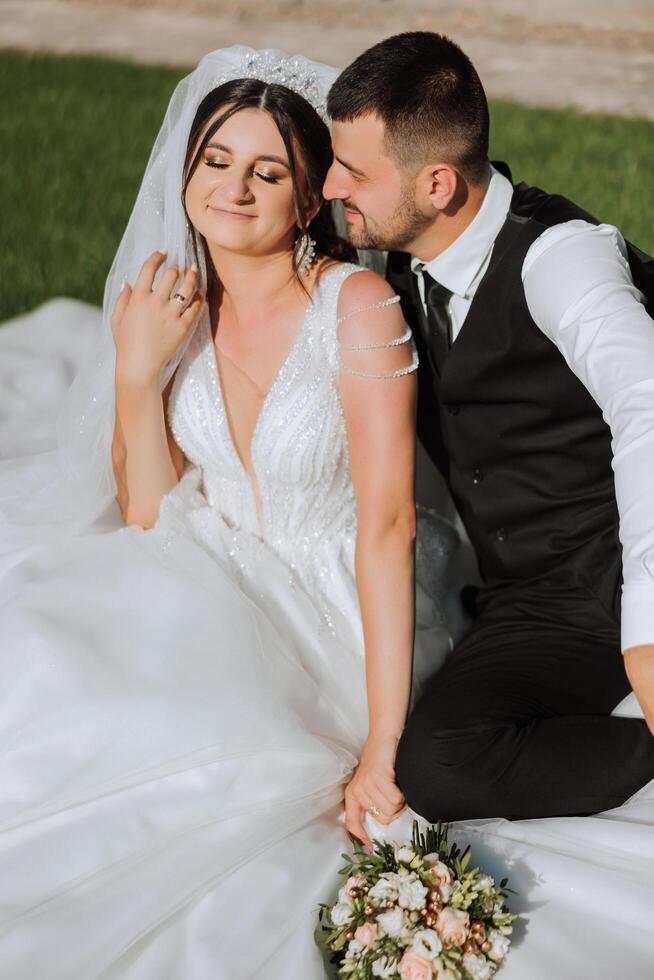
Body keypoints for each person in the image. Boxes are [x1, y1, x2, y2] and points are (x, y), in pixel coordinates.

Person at [0, 45, 454, 978]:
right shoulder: (174, 302)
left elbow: (389, 526)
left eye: (268, 170)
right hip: (213, 569)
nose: (233, 188)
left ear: (308, 198)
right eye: (216, 160)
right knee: (49, 647)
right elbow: (150, 518)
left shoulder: (356, 307)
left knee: (196, 732)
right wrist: (137, 374)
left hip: (341, 606)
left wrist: (384, 736)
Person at [324, 30, 654, 823]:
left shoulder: (561, 259)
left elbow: (648, 413)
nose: (331, 185)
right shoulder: (395, 253)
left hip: (601, 583)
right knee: (395, 738)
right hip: (514, 587)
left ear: (437, 183)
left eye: (354, 172)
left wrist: (647, 634)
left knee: (439, 767)